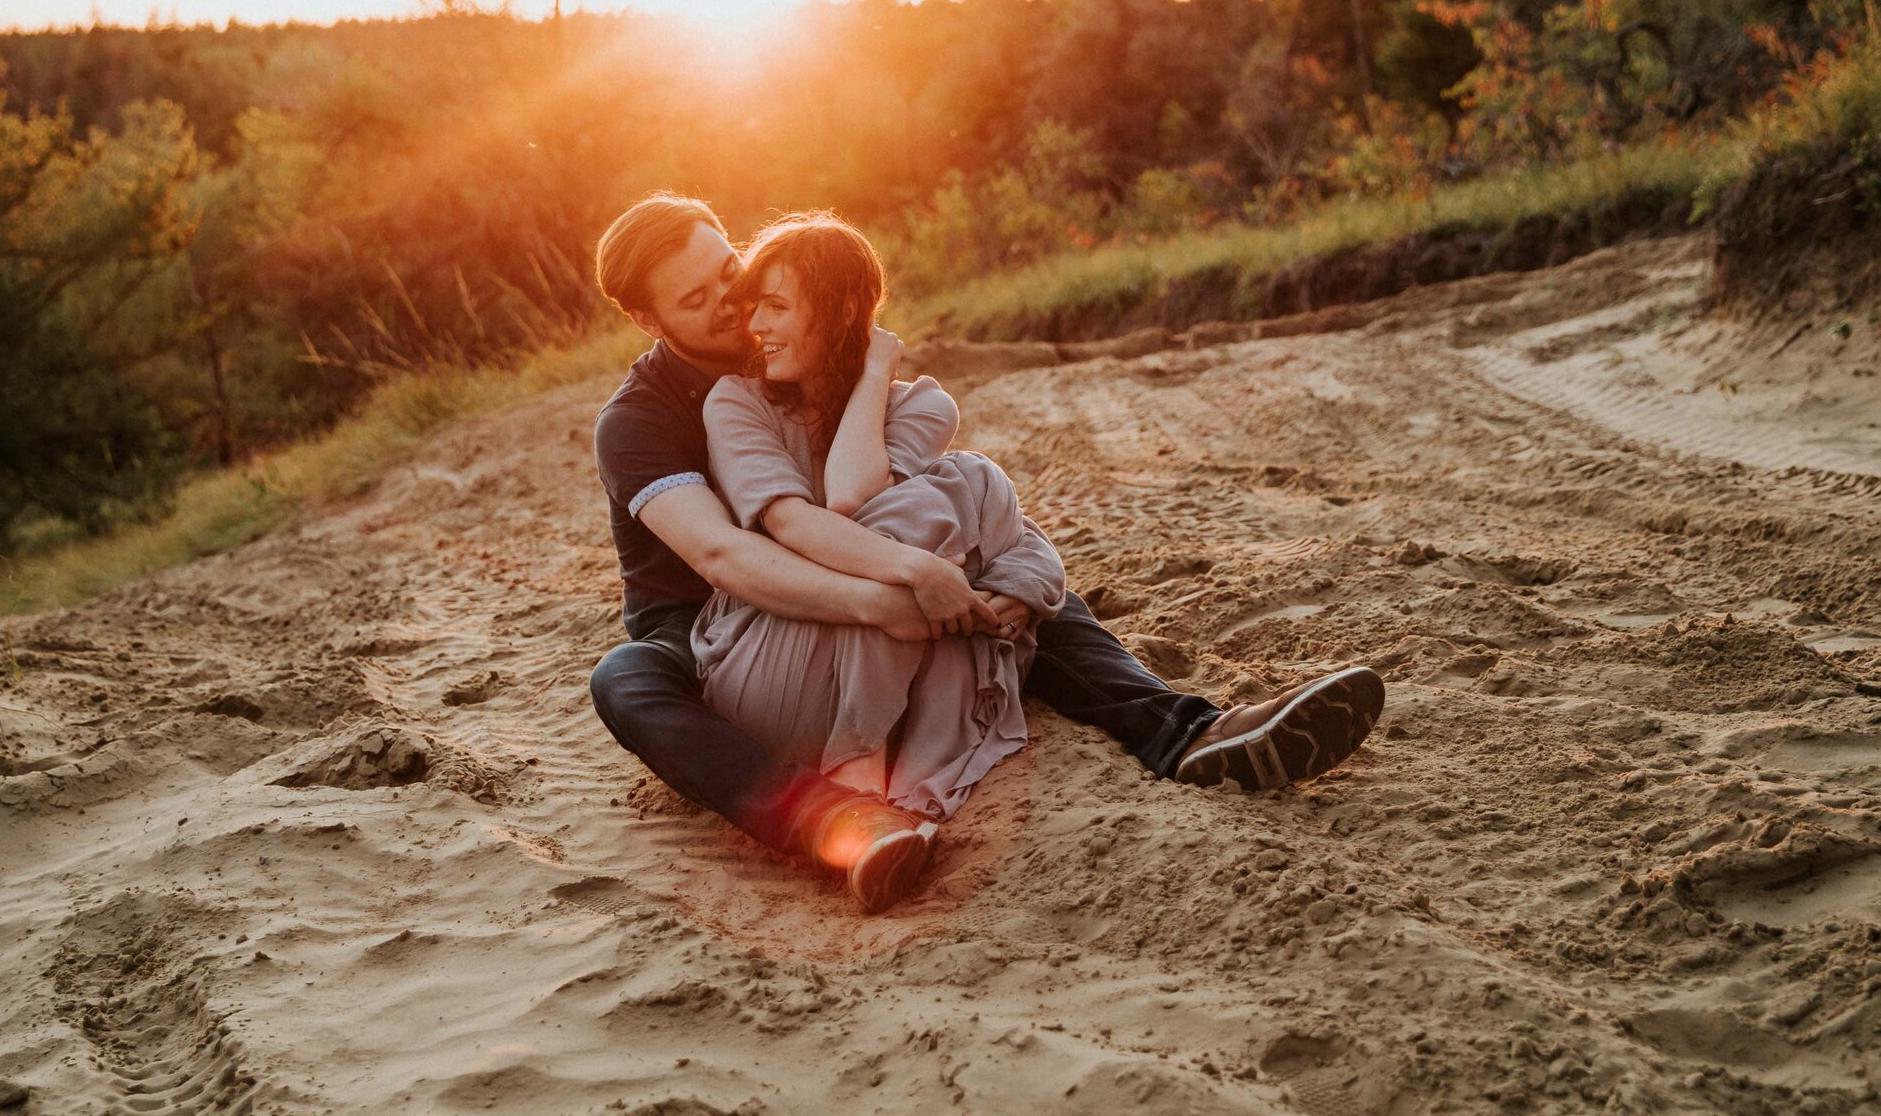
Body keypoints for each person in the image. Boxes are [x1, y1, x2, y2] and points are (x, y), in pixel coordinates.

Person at [587, 193, 1383, 913]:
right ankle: (831, 819)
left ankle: (1185, 731)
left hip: (853, 560)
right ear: (651, 323)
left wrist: (995, 576)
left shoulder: (790, 345)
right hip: (708, 629)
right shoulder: (640, 421)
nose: (732, 303)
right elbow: (727, 554)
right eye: (696, 300)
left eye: (730, 270)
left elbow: (925, 489)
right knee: (624, 680)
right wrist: (886, 600)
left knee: (988, 556)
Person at [695, 214, 1062, 845]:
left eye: (777, 307)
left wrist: (871, 377)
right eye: (756, 307)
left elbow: (855, 495)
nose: (756, 327)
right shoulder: (735, 401)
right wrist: (922, 572)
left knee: (963, 479)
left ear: (840, 310)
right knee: (955, 490)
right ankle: (859, 765)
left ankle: (876, 776)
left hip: (883, 658)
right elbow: (815, 514)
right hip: (771, 667)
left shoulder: (922, 403)